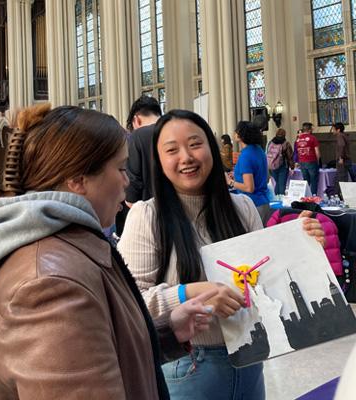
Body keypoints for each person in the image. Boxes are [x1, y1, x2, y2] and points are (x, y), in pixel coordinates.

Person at [0, 104, 218, 400]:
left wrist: (163, 331)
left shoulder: (64, 250)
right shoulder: (49, 284)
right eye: (121, 168)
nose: (126, 181)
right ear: (77, 180)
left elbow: (86, 352)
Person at [118, 109, 325, 400]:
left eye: (194, 144)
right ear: (159, 161)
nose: (186, 157)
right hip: (188, 365)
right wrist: (189, 293)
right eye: (172, 150)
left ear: (212, 150)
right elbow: (129, 302)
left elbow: (266, 278)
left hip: (249, 356)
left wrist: (303, 247)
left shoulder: (241, 208)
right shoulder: (147, 216)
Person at [226, 121, 270, 225]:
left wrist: (230, 182)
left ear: (241, 134)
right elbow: (266, 177)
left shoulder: (245, 155)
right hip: (263, 202)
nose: (234, 133)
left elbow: (249, 187)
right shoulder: (259, 150)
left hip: (252, 205)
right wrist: (236, 175)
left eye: (236, 130)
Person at [125, 95, 162, 205]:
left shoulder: (137, 136)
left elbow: (133, 182)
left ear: (136, 119)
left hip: (149, 209)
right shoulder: (175, 130)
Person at [266, 128, 294, 196]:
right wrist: (292, 166)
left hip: (272, 165)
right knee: (282, 184)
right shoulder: (286, 143)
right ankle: (281, 201)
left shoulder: (271, 142)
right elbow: (289, 156)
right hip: (283, 166)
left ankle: (276, 199)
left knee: (277, 183)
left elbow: (267, 152)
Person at [294, 122, 320, 196]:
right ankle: (313, 196)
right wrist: (318, 161)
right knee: (314, 180)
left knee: (306, 181)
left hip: (302, 161)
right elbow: (317, 151)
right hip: (311, 160)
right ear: (309, 129)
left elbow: (297, 151)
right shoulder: (312, 138)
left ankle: (306, 196)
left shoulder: (298, 139)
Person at [331, 122, 356, 196]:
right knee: (343, 178)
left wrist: (340, 157)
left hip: (342, 160)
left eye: (333, 129)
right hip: (346, 160)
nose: (332, 131)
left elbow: (342, 145)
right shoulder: (344, 135)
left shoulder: (340, 136)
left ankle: (338, 196)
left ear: (338, 130)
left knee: (341, 178)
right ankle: (342, 195)